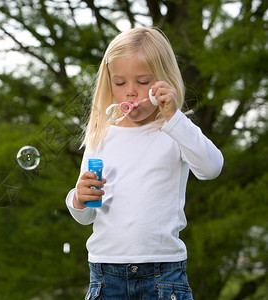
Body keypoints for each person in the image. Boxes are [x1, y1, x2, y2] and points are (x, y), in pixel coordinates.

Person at [65, 27, 224, 300]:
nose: (130, 92)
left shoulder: (175, 131)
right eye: (119, 82)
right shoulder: (100, 136)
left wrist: (175, 118)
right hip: (105, 275)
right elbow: (87, 214)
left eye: (142, 81)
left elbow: (211, 168)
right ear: (108, 83)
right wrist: (78, 199)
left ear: (164, 82)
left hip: (164, 275)